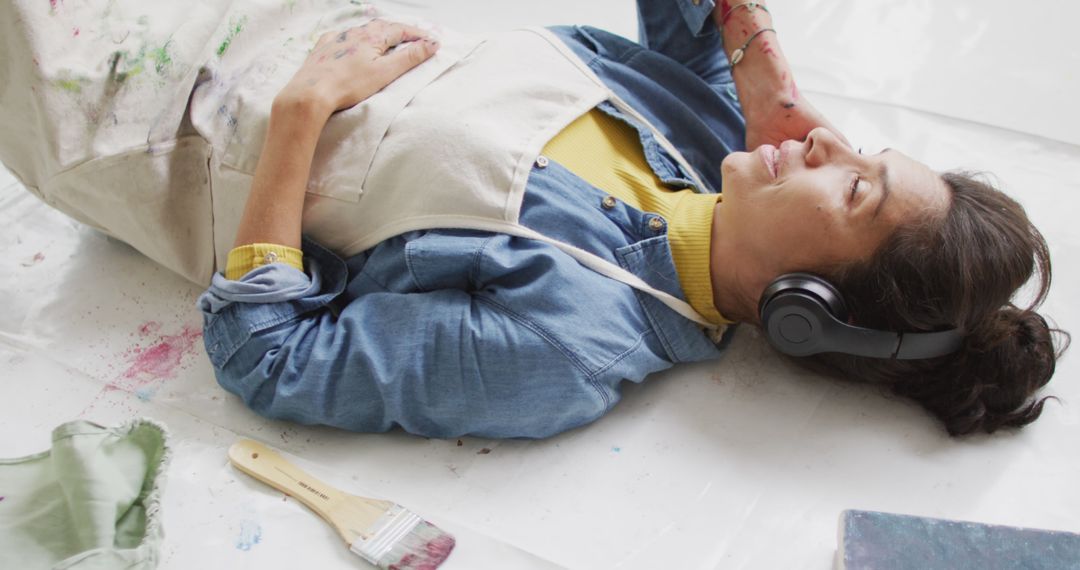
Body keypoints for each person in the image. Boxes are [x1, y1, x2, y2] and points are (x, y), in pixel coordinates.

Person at [194, 0, 1066, 439]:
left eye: (854, 191)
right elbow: (689, 26)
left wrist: (301, 113)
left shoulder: (562, 347)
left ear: (805, 304)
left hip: (148, 118)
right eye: (863, 150)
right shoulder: (709, 136)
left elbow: (269, 357)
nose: (827, 141)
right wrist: (752, 43)